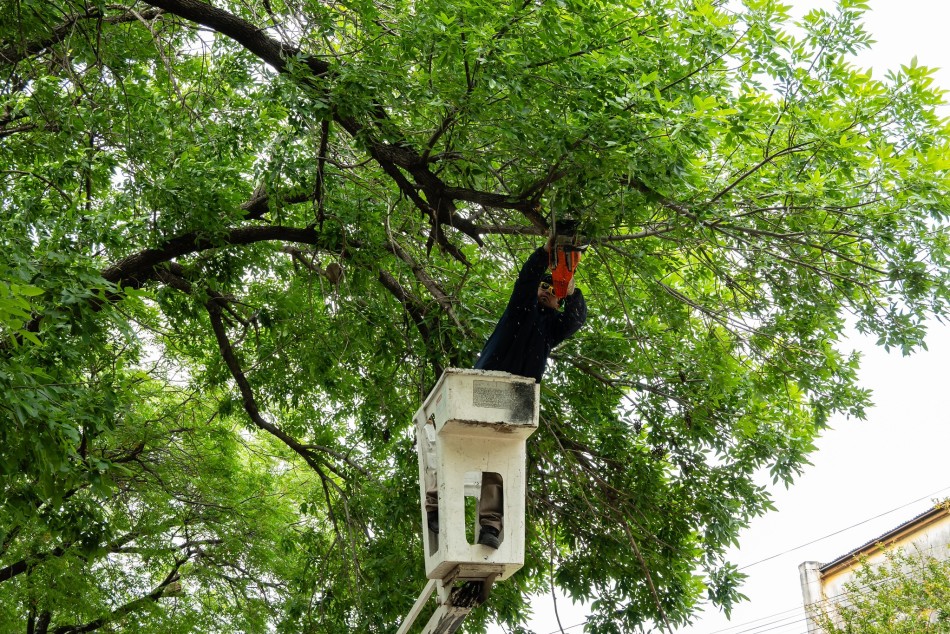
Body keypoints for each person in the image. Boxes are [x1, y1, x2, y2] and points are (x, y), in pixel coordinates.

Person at [426, 238, 588, 549]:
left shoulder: (551, 330)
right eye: (543, 286)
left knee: (495, 457)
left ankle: (490, 526)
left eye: (552, 291)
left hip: (514, 399)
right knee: (447, 441)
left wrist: (572, 292)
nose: (546, 291)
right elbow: (526, 281)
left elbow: (576, 319)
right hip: (482, 387)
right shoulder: (520, 309)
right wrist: (545, 253)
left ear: (558, 301)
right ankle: (437, 506)